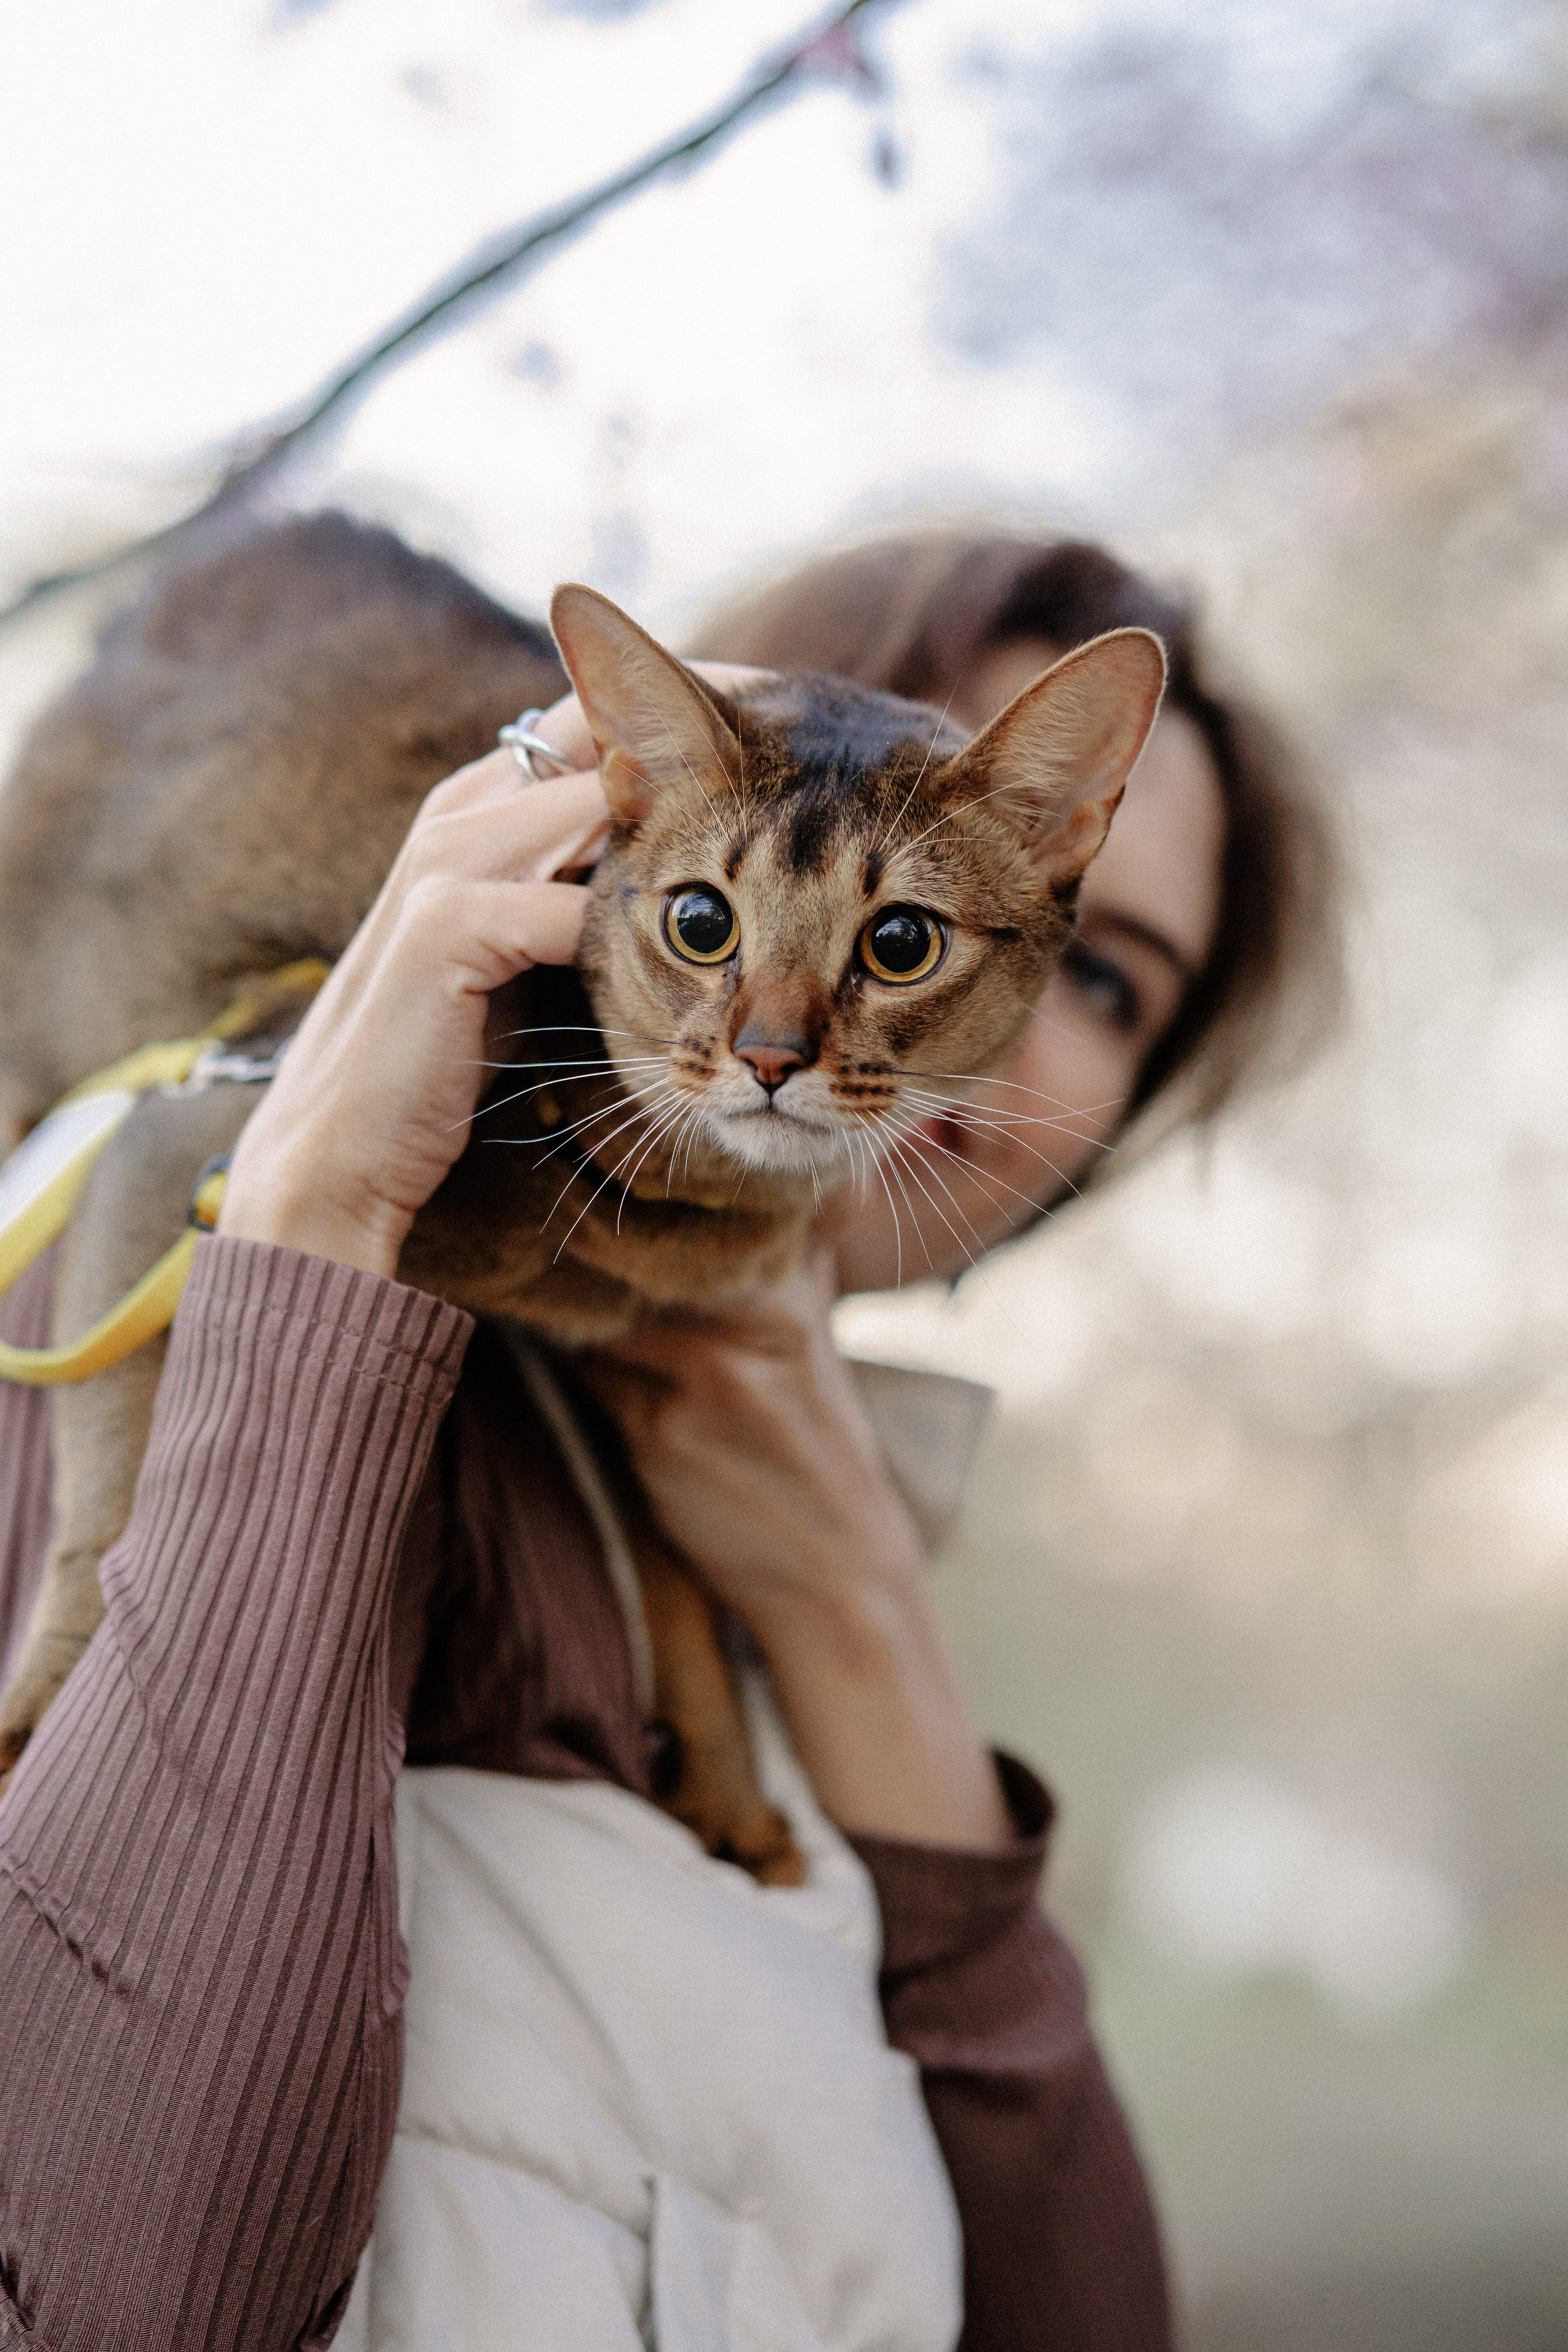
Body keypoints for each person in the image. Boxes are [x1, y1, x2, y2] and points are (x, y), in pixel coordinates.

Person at [0, 527, 1335, 2351]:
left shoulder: (851, 1553)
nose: (777, 1038)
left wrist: (865, 1630)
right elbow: (124, 2285)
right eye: (709, 919)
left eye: (1107, 981)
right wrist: (310, 1250)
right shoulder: (224, 1340)